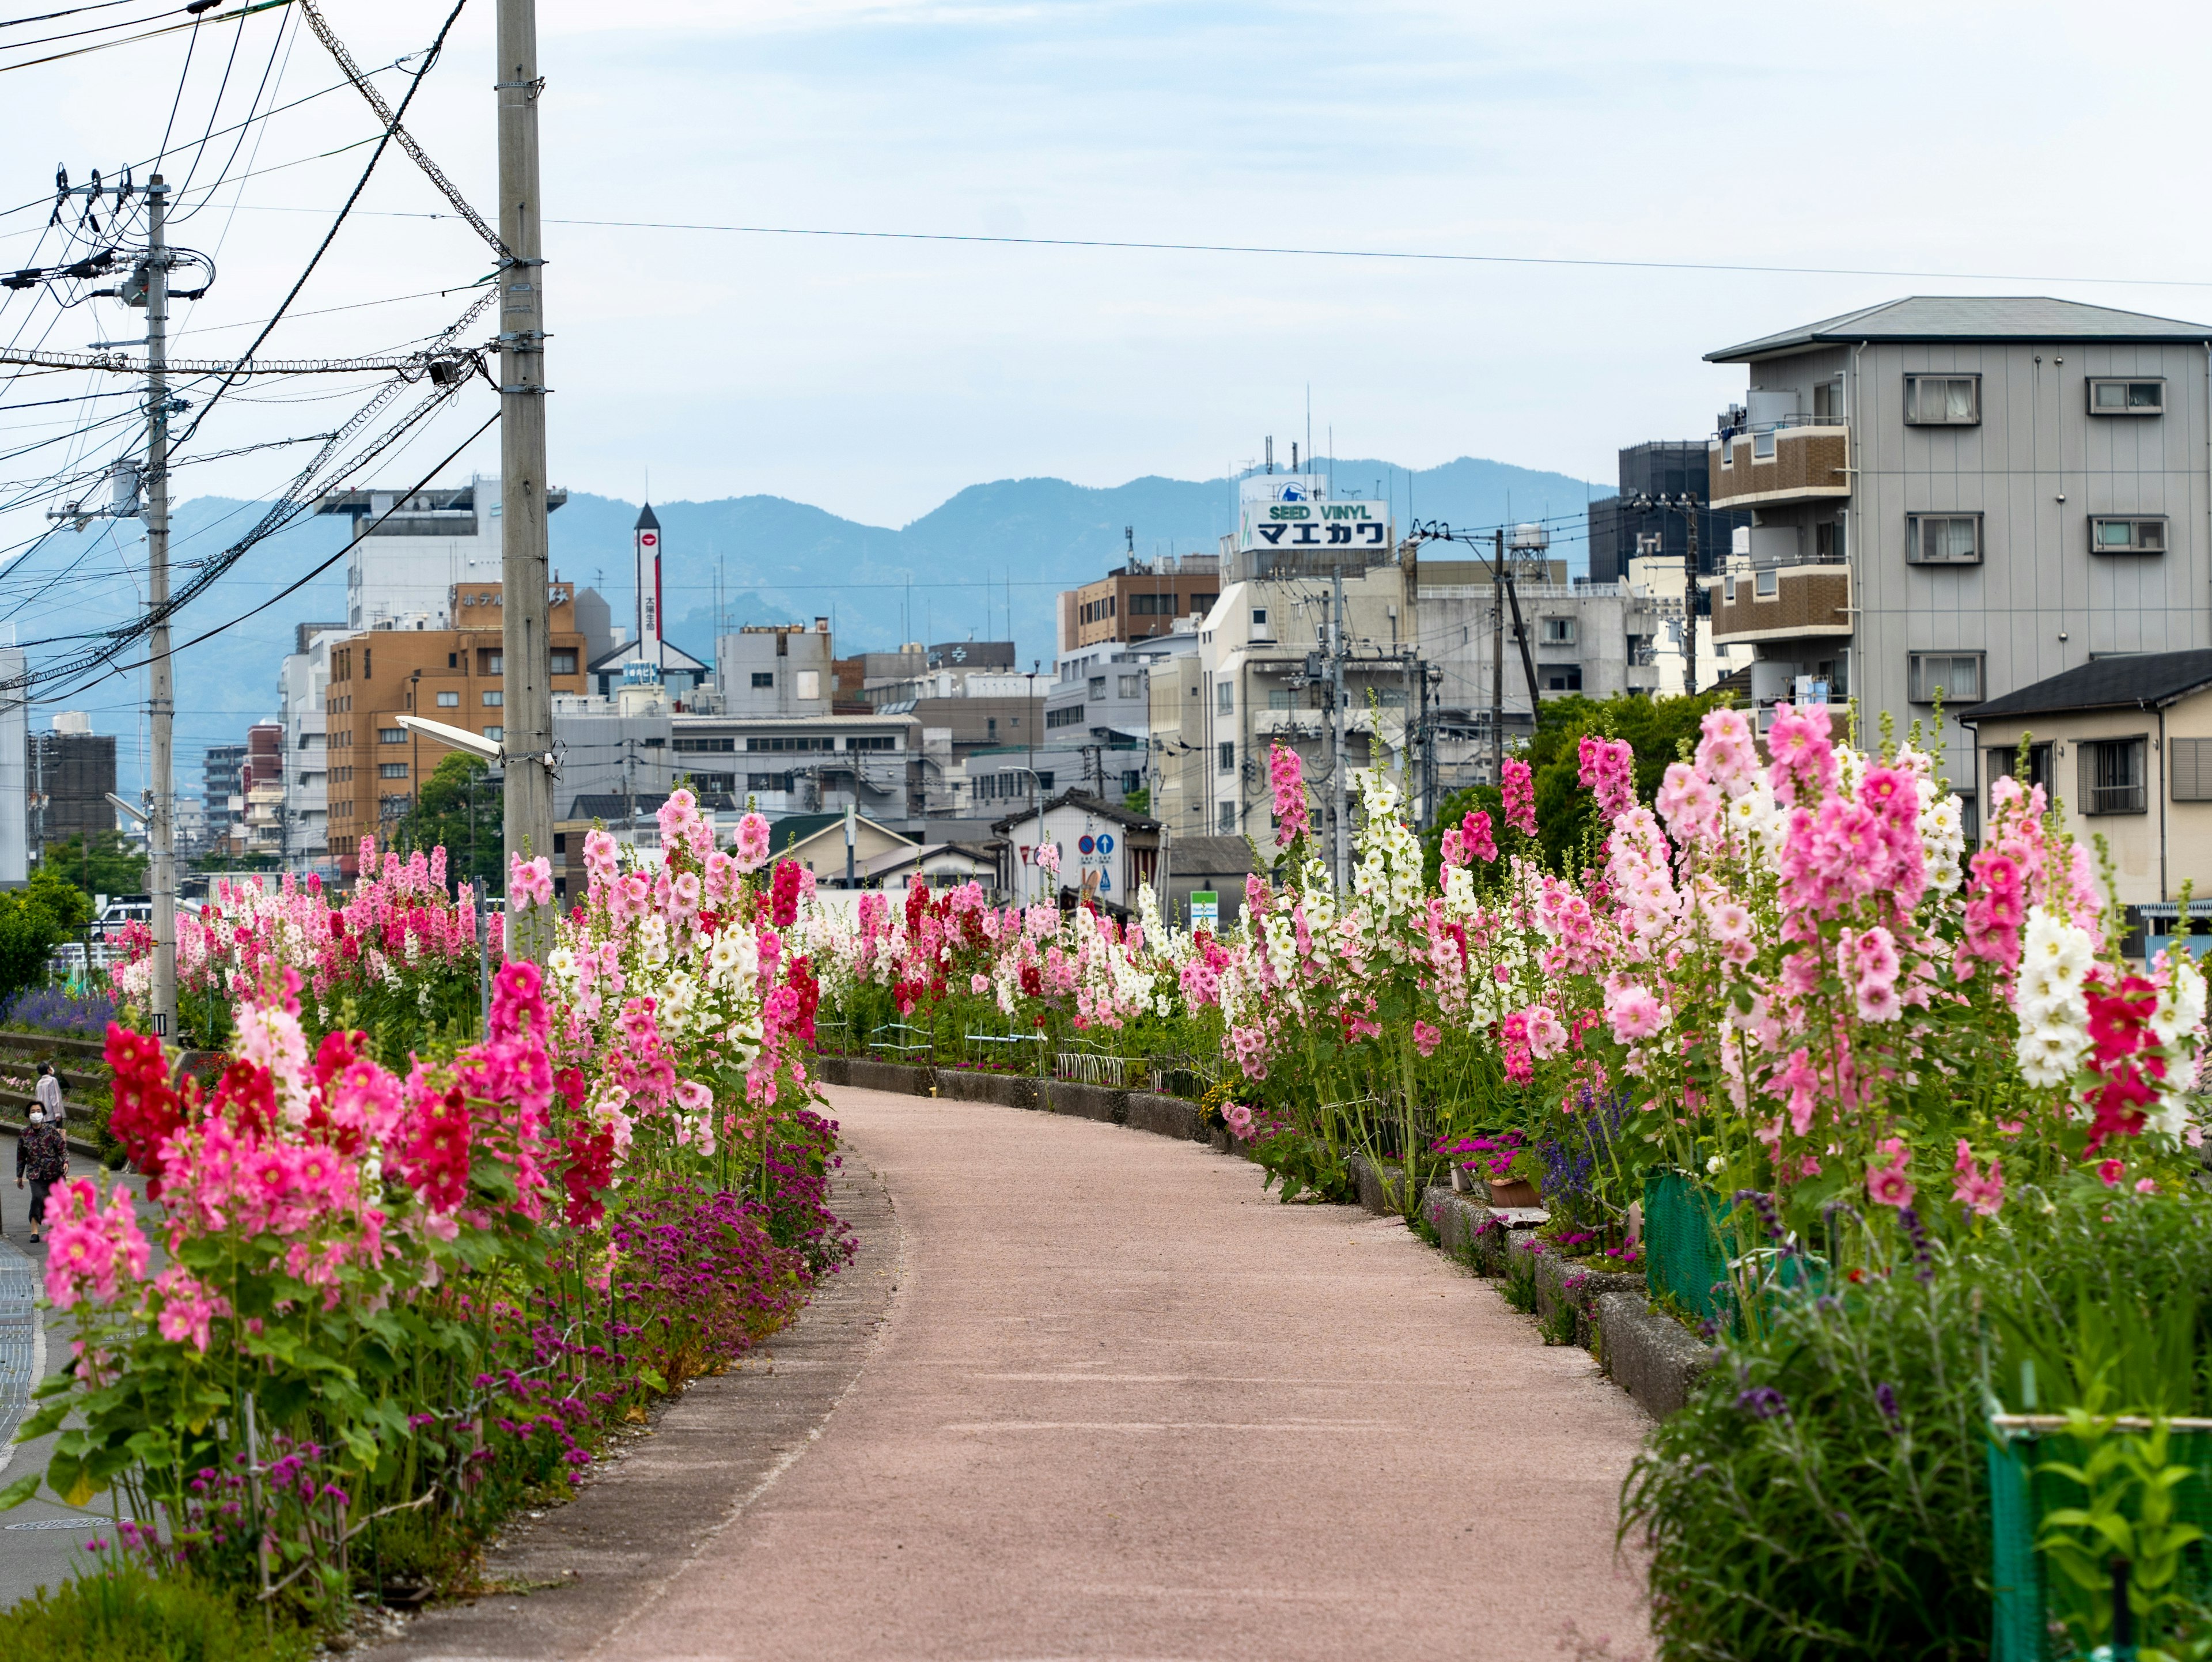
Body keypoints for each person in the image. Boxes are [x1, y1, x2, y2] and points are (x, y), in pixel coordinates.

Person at [16, 1106, 65, 1244]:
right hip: (35, 1173)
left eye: (38, 1111)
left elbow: (62, 1148)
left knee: (51, 1200)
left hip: (53, 1171)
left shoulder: (50, 1131)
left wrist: (66, 1162)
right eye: (33, 1112)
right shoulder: (24, 1134)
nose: (36, 1114)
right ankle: (34, 1231)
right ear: (28, 1115)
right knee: (37, 1197)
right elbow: (21, 1157)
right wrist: (19, 1175)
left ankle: (51, 1229)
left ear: (43, 1114)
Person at [33, 1062, 62, 1127]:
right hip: (52, 1115)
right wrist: (58, 1113)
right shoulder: (52, 1080)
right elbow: (55, 1097)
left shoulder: (39, 1083)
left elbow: (37, 1099)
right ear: (48, 1070)